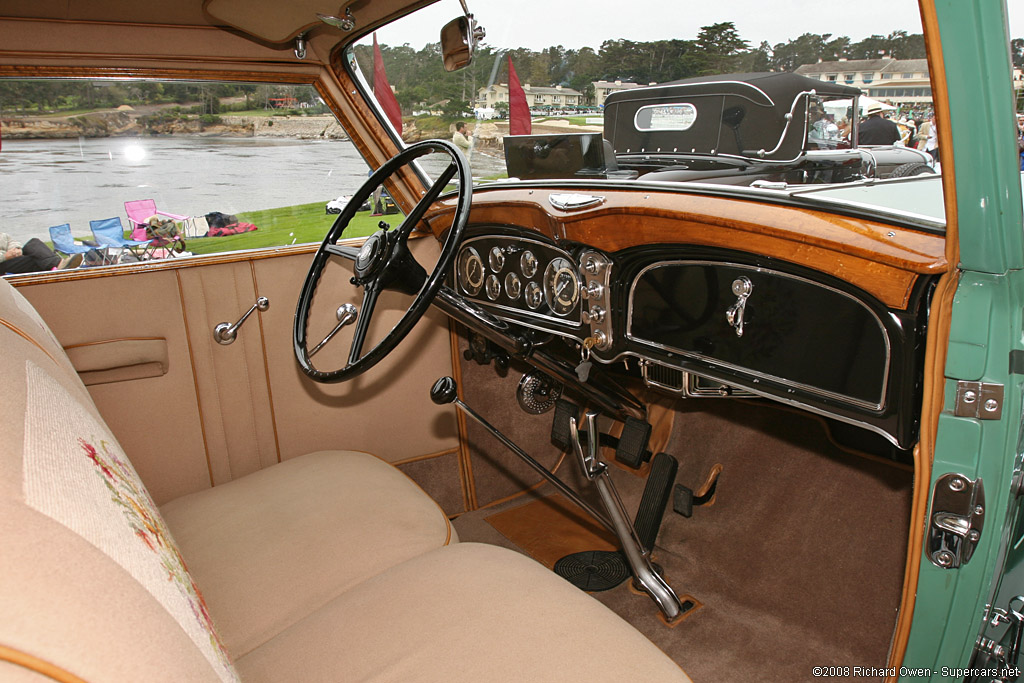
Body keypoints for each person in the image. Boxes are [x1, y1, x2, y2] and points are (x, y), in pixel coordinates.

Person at [0, 233, 81, 275]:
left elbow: (10, 240)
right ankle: (58, 265)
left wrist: (16, 249)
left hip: (11, 257)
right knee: (34, 259)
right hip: (2, 262)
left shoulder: (2, 234)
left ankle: (58, 264)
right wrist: (4, 256)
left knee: (33, 243)